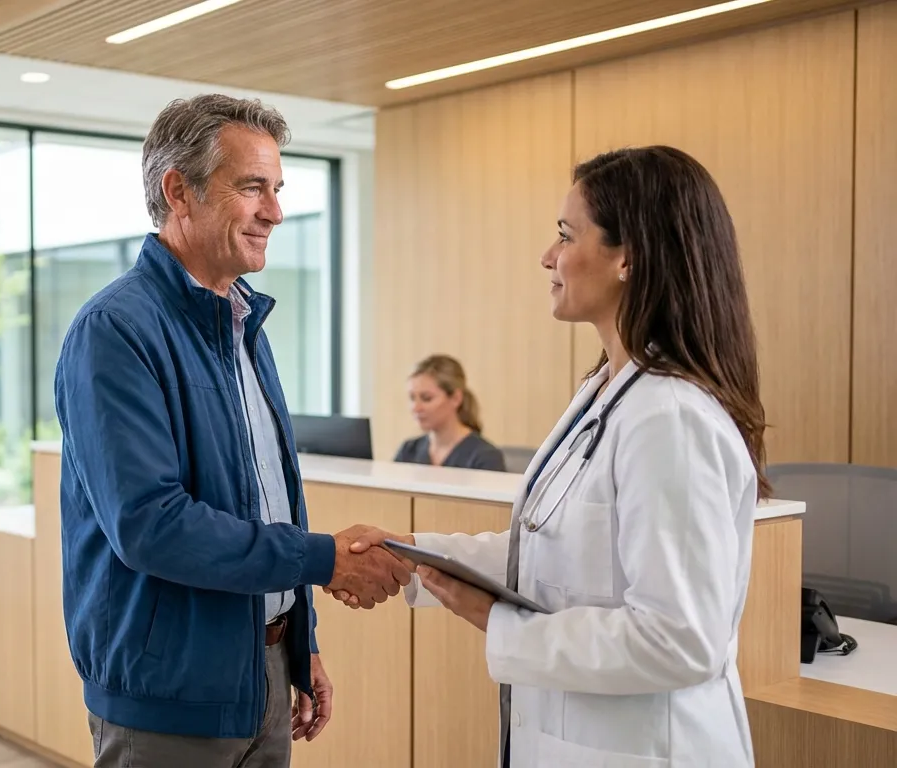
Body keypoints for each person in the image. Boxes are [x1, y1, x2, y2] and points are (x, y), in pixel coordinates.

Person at [336, 146, 769, 767]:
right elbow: (548, 554)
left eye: (566, 236)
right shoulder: (605, 395)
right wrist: (413, 553)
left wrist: (497, 621)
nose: (548, 256)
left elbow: (679, 640)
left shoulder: (670, 417)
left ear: (630, 256)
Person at [52, 94, 411, 768]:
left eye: (276, 189)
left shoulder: (244, 324)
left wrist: (300, 642)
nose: (274, 211)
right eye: (252, 187)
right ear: (177, 192)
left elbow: (266, 502)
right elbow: (151, 525)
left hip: (264, 674)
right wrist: (324, 557)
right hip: (169, 699)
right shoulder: (116, 332)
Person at [393, 354, 506, 471]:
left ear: (456, 398)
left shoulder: (485, 457)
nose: (416, 408)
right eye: (412, 398)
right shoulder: (408, 451)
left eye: (427, 398)